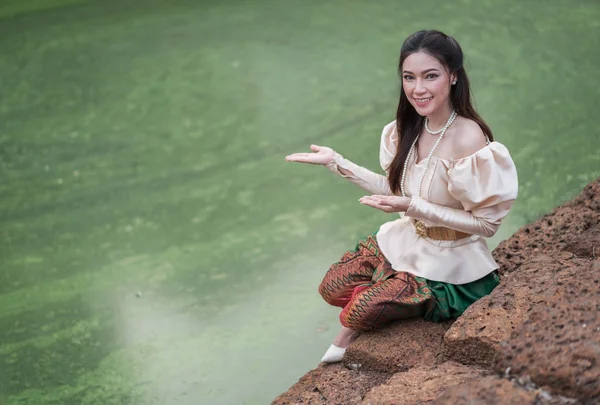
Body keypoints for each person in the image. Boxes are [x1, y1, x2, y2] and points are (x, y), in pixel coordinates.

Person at [285, 30, 518, 363]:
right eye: (409, 77)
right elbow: (396, 191)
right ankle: (388, 285)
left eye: (430, 76)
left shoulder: (469, 139)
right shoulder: (404, 128)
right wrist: (336, 163)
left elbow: (486, 223)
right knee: (332, 286)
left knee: (359, 312)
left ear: (453, 76)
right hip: (409, 239)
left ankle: (385, 305)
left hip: (452, 260)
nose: (418, 89)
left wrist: (412, 206)